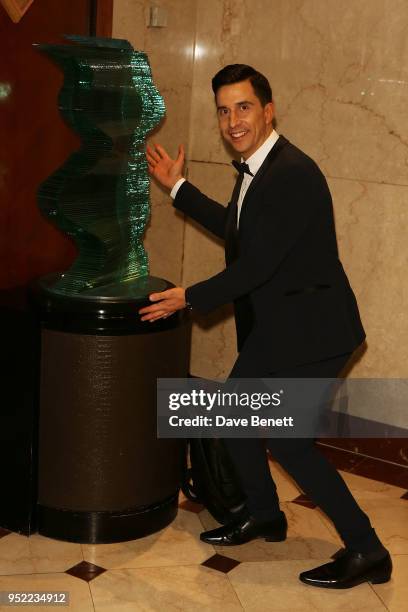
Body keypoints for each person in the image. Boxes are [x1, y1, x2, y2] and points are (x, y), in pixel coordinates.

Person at [140, 64, 392, 589]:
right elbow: (238, 232)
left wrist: (188, 298)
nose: (233, 120)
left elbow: (256, 267)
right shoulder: (260, 167)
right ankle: (265, 516)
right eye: (224, 110)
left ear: (268, 109)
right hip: (281, 328)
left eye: (244, 107)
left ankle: (368, 550)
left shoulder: (292, 173)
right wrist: (178, 188)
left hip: (317, 333)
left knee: (293, 443)